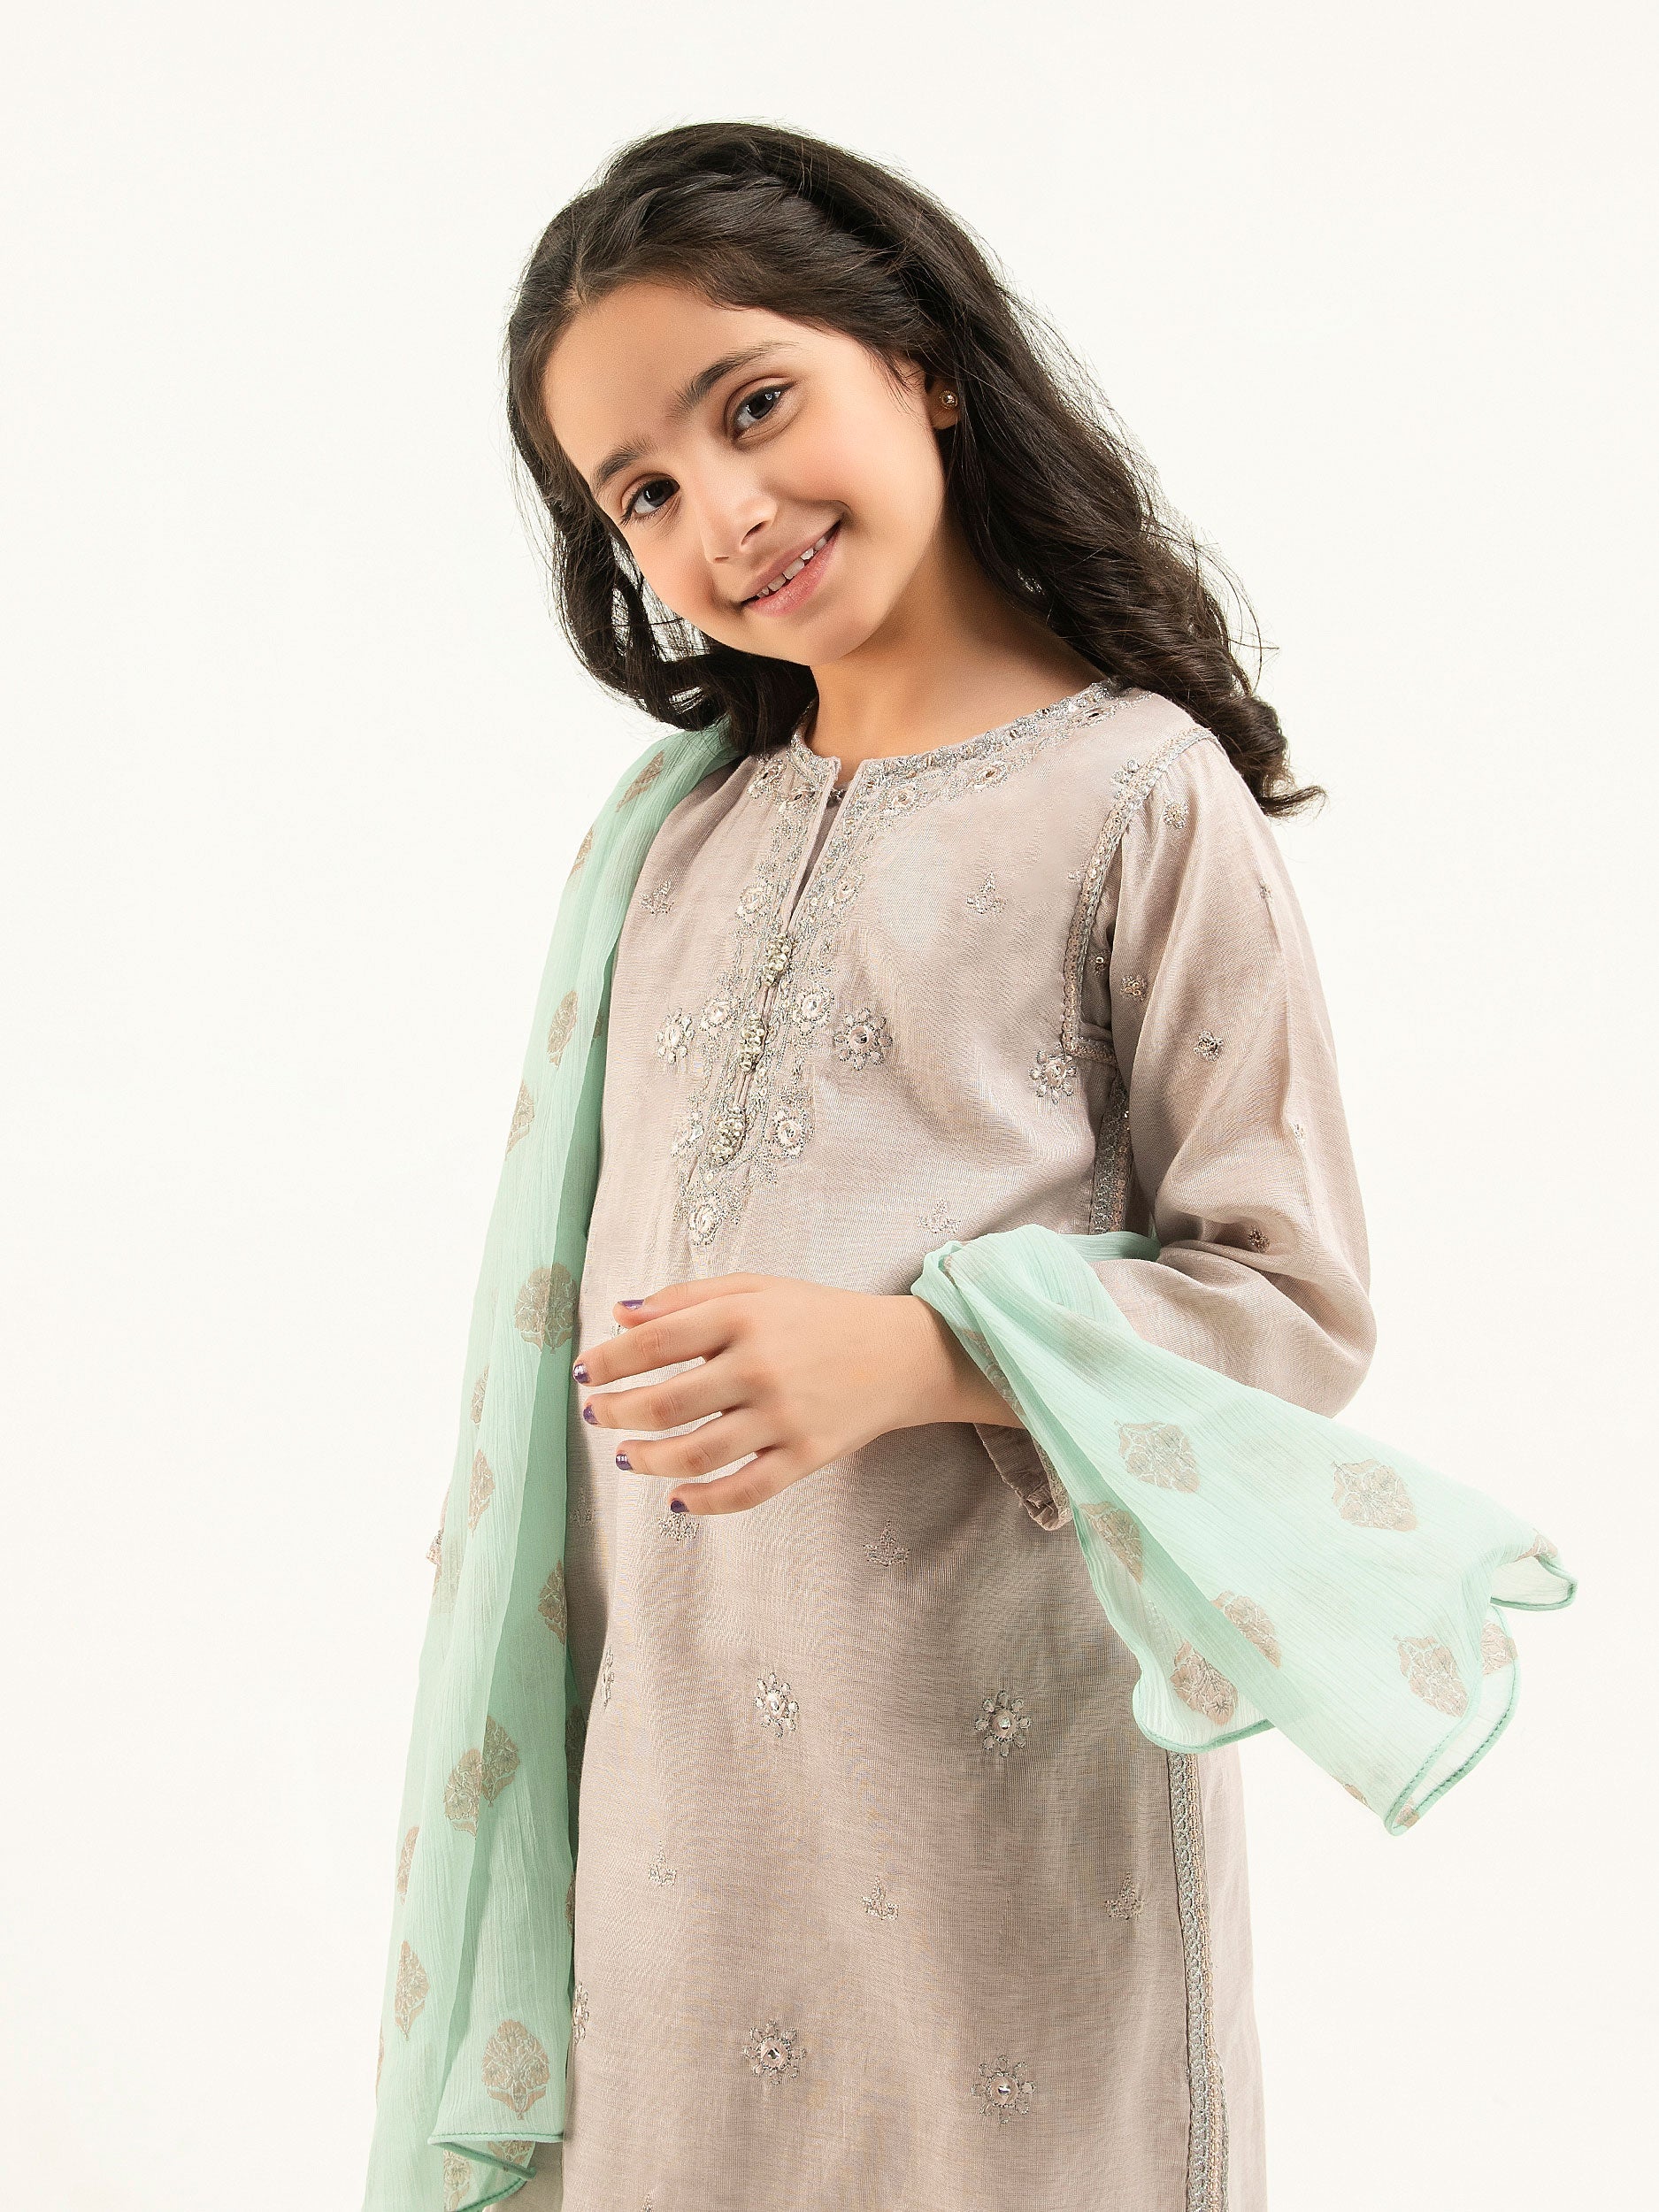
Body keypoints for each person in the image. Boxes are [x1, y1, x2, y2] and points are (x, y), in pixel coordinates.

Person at [363, 120, 1567, 2212]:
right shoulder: (674, 842)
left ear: (918, 360)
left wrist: (914, 1352)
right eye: (641, 491)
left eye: (753, 406)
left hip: (992, 1768)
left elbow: (1284, 1296)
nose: (723, 513)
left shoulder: (1134, 799)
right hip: (668, 1797)